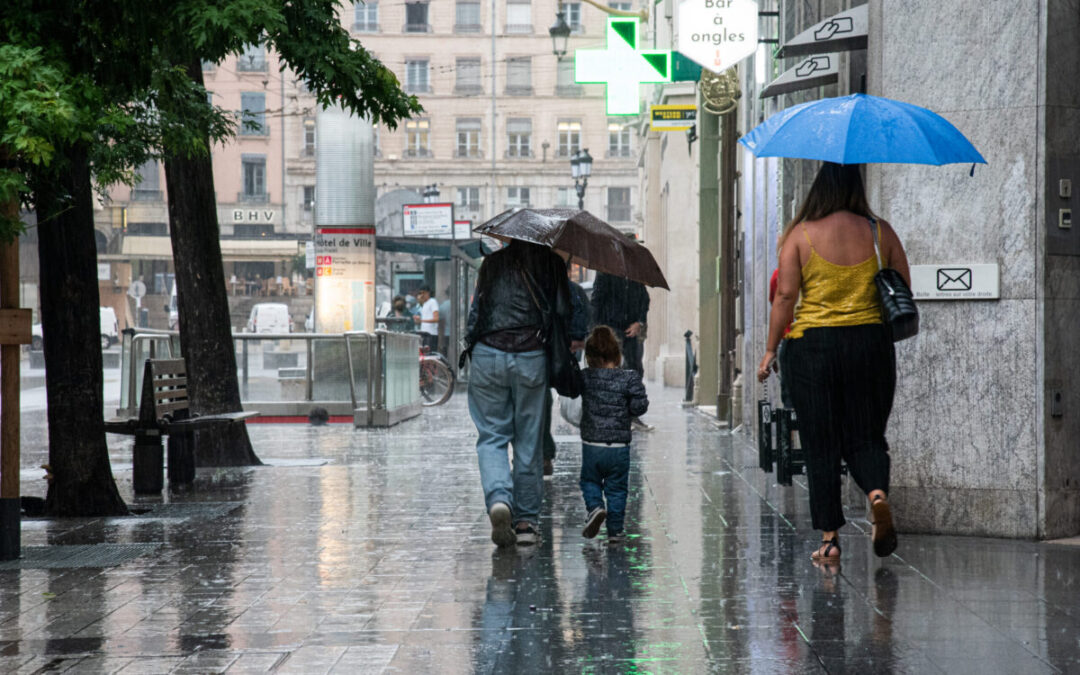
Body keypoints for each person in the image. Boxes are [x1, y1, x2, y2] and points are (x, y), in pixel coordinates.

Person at [756, 162, 910, 563]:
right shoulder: (881, 232)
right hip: (870, 345)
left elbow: (785, 297)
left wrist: (771, 349)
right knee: (866, 434)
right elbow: (904, 287)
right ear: (856, 187)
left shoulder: (800, 235)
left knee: (820, 443)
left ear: (818, 189)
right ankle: (876, 494)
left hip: (813, 349)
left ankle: (829, 539)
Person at [463, 239, 571, 547]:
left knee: (492, 436)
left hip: (487, 351)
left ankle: (499, 499)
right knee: (528, 439)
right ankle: (525, 522)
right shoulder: (550, 262)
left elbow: (477, 311)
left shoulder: (492, 263)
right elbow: (564, 311)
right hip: (530, 353)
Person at [577, 325, 648, 544]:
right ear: (617, 354)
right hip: (619, 447)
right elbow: (639, 407)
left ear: (589, 356)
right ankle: (615, 530)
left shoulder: (585, 377)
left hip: (592, 445)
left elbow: (570, 388)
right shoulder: (629, 378)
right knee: (617, 488)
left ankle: (596, 507)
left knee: (590, 481)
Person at [541, 272, 592, 477]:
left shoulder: (536, 287)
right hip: (564, 356)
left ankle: (543, 453)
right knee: (573, 391)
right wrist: (576, 339)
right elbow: (584, 319)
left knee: (540, 401)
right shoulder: (574, 290)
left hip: (540, 353)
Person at [590, 271, 652, 431]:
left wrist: (639, 322)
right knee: (613, 372)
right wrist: (598, 330)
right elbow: (596, 301)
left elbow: (645, 300)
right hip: (611, 328)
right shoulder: (605, 273)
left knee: (635, 370)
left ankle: (632, 415)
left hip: (631, 330)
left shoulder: (635, 274)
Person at [413, 285, 439, 352]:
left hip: (431, 334)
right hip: (424, 334)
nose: (422, 295)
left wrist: (421, 320)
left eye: (423, 293)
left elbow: (436, 319)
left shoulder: (432, 302)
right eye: (420, 293)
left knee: (430, 354)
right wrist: (419, 319)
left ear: (428, 293)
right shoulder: (425, 304)